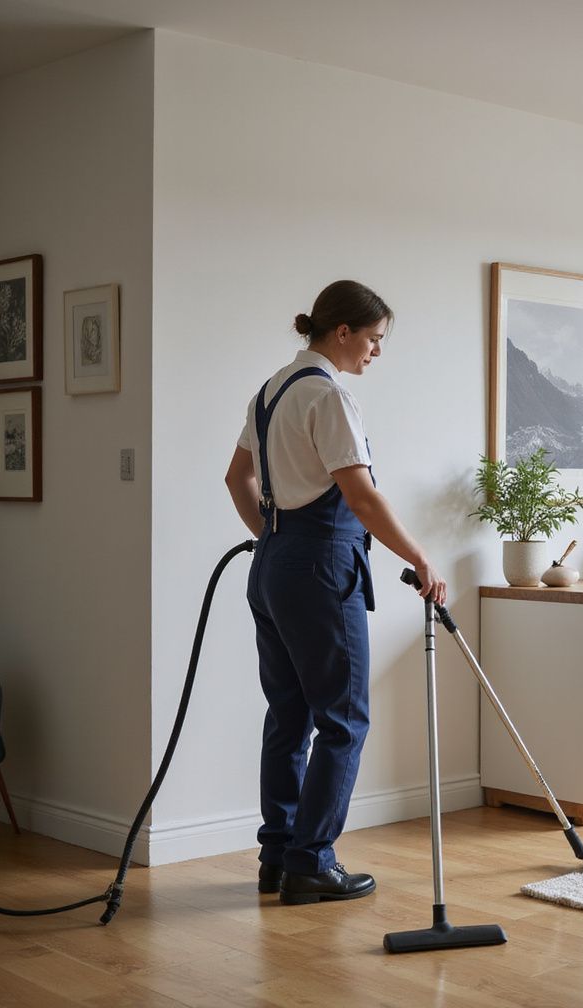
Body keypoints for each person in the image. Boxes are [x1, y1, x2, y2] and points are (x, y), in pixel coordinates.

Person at [225, 279, 446, 905]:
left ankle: (279, 855)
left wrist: (276, 538)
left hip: (273, 567)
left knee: (288, 714)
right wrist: (421, 557)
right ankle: (312, 862)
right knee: (344, 719)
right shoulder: (329, 397)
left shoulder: (269, 393)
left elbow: (236, 477)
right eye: (374, 339)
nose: (377, 352)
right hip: (321, 569)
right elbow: (362, 496)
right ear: (342, 332)